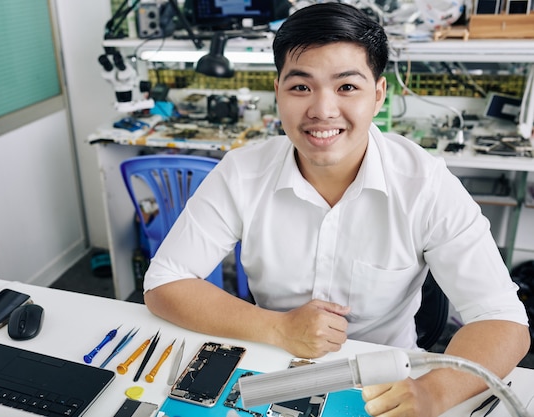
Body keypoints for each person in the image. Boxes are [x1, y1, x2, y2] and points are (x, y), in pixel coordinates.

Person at [143, 3, 530, 416]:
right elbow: (165, 281)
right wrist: (276, 327)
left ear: (378, 94)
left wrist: (434, 393)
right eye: (301, 87)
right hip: (271, 368)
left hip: (387, 385)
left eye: (347, 87)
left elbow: (504, 320)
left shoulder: (425, 186)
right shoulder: (242, 172)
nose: (322, 111)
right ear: (278, 91)